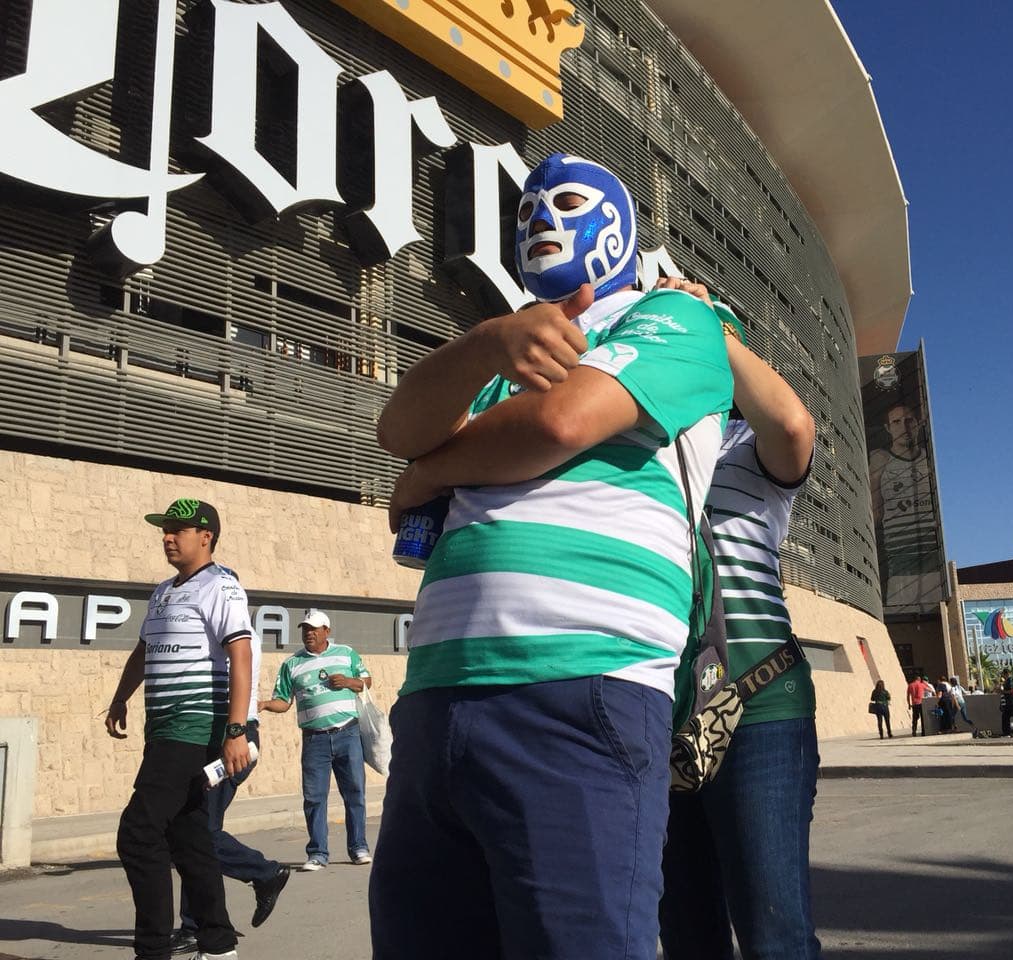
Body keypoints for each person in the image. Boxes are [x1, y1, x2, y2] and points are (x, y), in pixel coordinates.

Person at [368, 152, 733, 960]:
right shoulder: (508, 353)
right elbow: (397, 427)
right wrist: (488, 342)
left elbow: (561, 424)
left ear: (621, 225)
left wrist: (431, 467)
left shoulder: (676, 321)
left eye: (564, 202)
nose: (540, 219)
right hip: (435, 701)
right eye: (527, 207)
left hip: (581, 691)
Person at [657, 285, 821, 960]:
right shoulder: (648, 451)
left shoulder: (748, 447)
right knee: (685, 931)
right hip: (657, 713)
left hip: (757, 705)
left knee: (773, 931)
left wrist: (707, 329)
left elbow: (793, 427)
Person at [106, 499, 250, 960]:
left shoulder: (221, 586)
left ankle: (152, 950)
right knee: (186, 836)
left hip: (193, 727)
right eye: (164, 530)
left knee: (138, 833)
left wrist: (236, 730)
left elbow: (241, 656)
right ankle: (219, 943)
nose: (167, 537)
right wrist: (120, 697)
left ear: (205, 536)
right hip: (162, 729)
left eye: (178, 530)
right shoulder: (164, 591)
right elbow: (143, 650)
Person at [172, 617, 290, 953]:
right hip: (219, 735)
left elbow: (229, 687)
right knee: (196, 829)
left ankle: (264, 873)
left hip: (231, 737)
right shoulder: (224, 634)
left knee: (198, 834)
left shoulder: (237, 637)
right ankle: (198, 924)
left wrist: (233, 736)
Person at [260, 610, 371, 870]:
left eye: (314, 629)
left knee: (355, 793)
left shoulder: (346, 654)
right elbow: (283, 701)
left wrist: (348, 681)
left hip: (348, 733)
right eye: (305, 629)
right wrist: (265, 704)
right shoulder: (292, 664)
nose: (308, 633)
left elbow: (367, 682)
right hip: (314, 740)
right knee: (314, 797)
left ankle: (358, 847)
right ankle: (317, 853)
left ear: (326, 631)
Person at [867, 402, 943, 607]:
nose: (904, 427)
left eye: (909, 420)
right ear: (888, 428)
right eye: (897, 422)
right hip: (900, 570)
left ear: (919, 423)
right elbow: (874, 515)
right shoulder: (881, 461)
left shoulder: (930, 462)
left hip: (934, 569)